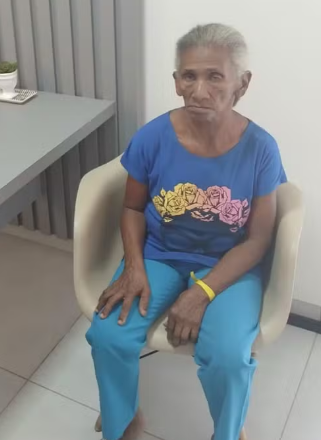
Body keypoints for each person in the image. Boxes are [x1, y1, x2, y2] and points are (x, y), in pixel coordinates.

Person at [85, 23, 286, 440]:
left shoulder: (261, 149)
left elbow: (259, 239)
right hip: (160, 254)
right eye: (189, 76)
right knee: (108, 335)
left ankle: (228, 431)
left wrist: (202, 293)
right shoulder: (153, 137)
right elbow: (132, 207)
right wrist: (134, 267)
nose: (199, 90)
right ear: (176, 81)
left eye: (215, 77)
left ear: (242, 84)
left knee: (227, 355)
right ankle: (124, 419)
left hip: (228, 263)